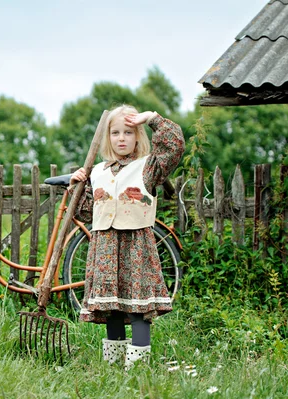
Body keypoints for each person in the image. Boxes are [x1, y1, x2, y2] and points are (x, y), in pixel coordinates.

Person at [69, 104, 185, 369]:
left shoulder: (148, 167)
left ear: (138, 136)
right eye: (115, 133)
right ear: (107, 137)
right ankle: (113, 367)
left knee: (137, 309)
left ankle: (137, 369)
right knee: (113, 309)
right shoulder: (97, 172)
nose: (121, 138)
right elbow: (86, 212)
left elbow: (174, 147)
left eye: (129, 132)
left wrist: (153, 119)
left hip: (135, 247)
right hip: (105, 249)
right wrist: (76, 186)